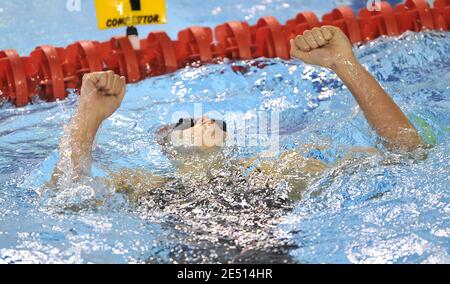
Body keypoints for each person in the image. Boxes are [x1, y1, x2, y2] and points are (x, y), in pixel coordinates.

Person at [50, 26, 423, 197]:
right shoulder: (144, 184)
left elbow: (407, 153)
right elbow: (67, 196)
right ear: (165, 145)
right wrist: (88, 118)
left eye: (216, 122)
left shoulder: (282, 170)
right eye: (190, 120)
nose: (207, 120)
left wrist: (345, 65)